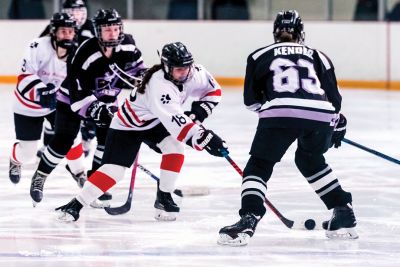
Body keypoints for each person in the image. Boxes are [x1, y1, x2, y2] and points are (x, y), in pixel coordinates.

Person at [218, 10, 358, 246]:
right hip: (321, 115)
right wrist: (335, 121)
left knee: (260, 164)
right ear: (301, 34)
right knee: (310, 159)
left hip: (280, 114)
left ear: (275, 33)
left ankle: (249, 217)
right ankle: (342, 211)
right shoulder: (319, 56)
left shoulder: (259, 55)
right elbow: (335, 101)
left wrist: (273, 107)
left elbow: (250, 101)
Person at [55, 41, 228, 222]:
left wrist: (198, 112)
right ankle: (76, 204)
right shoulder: (160, 86)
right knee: (114, 171)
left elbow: (213, 90)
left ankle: (163, 197)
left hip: (154, 121)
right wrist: (205, 139)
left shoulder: (196, 73)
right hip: (127, 125)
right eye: (178, 69)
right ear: (167, 68)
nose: (184, 72)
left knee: (175, 148)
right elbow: (180, 126)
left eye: (187, 66)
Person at [29, 8, 145, 207]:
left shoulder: (128, 45)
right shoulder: (84, 52)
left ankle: (94, 186)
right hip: (71, 100)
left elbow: (138, 72)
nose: (112, 33)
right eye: (107, 29)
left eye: (116, 29)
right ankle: (40, 176)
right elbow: (77, 92)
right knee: (64, 140)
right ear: (98, 31)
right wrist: (96, 109)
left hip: (107, 100)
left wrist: (145, 84)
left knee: (106, 142)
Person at [9, 12, 78, 185]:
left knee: (72, 137)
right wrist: (41, 92)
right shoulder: (37, 46)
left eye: (70, 32)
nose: (67, 35)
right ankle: (15, 160)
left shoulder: (76, 54)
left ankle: (80, 173)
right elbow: (24, 76)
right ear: (54, 32)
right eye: (63, 31)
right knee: (28, 153)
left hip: (56, 104)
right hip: (27, 104)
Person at [39, 0, 96, 158]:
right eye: (73, 11)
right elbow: (43, 47)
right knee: (53, 110)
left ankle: (86, 138)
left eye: (80, 11)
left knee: (90, 111)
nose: (77, 15)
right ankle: (48, 144)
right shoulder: (57, 25)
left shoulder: (92, 27)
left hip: (85, 76)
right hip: (61, 75)